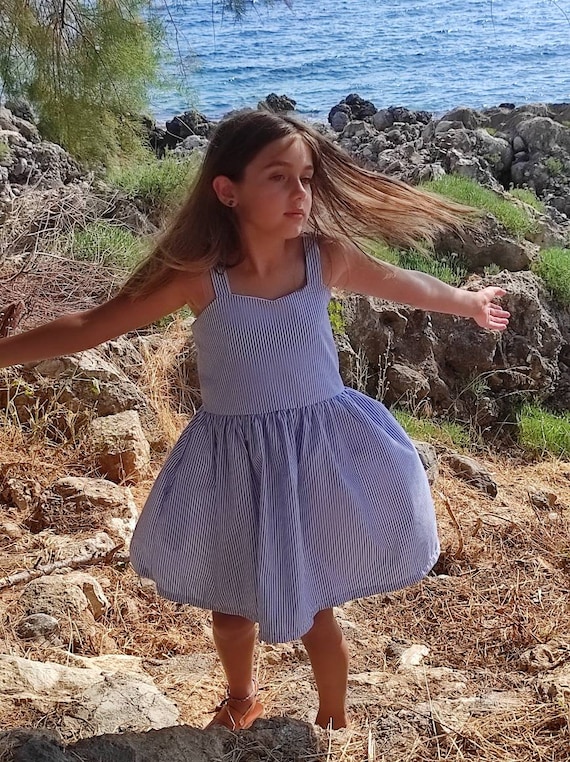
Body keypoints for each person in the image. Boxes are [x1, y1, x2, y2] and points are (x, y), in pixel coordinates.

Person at [0, 109, 510, 732]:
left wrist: (468, 302)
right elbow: (91, 325)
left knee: (317, 606)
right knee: (231, 607)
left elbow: (402, 283)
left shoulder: (322, 258)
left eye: (306, 178)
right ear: (228, 190)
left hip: (317, 455)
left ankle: (332, 723)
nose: (300, 193)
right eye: (278, 177)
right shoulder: (200, 277)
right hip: (235, 463)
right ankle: (241, 699)